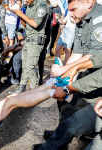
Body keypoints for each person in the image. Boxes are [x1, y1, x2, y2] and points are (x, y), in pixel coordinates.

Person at [34, 0, 102, 149]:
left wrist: (68, 86)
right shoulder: (81, 19)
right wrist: (64, 74)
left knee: (74, 123)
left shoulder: (99, 20)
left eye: (73, 9)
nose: (69, 15)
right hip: (88, 79)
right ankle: (64, 134)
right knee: (68, 110)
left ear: (88, 3)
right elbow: (78, 52)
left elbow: (95, 59)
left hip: (96, 87)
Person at [8, 0, 50, 94]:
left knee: (31, 67)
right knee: (25, 66)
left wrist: (19, 13)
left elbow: (35, 24)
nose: (25, 1)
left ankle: (34, 91)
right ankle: (22, 88)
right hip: (28, 39)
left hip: (36, 41)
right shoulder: (28, 6)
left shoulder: (42, 5)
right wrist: (17, 14)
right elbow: (26, 23)